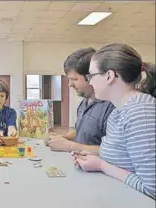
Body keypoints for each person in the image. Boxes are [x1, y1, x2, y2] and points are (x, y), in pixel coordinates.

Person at [72, 43, 156, 199]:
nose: (90, 82)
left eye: (92, 76)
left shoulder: (141, 112)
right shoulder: (117, 112)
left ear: (110, 76)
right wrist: (94, 159)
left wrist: (102, 165)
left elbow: (152, 188)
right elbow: (121, 162)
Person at [45, 48, 115, 153]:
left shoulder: (111, 107)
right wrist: (62, 138)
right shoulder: (83, 103)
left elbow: (114, 152)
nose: (70, 84)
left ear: (91, 77)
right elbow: (79, 131)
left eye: (74, 79)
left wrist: (69, 146)